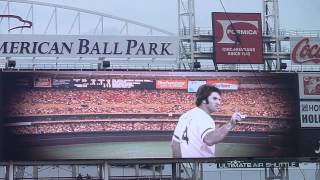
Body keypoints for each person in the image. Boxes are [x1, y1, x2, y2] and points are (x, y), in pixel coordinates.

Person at [171, 84, 242, 158]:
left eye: (219, 99)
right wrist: (231, 124)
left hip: (186, 166)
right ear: (204, 100)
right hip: (203, 166)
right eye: (214, 99)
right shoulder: (204, 117)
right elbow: (209, 139)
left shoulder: (185, 116)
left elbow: (175, 144)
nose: (218, 103)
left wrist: (178, 164)